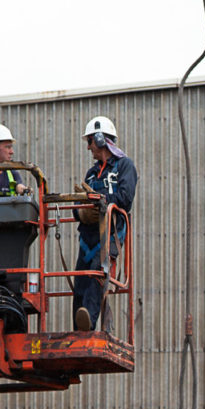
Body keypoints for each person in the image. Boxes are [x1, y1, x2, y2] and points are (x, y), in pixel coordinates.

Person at [73, 116, 138, 332]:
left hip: (110, 233)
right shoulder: (92, 173)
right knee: (80, 280)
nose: (89, 148)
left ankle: (88, 324)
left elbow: (125, 198)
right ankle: (78, 328)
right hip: (88, 238)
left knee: (97, 274)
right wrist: (79, 210)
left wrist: (99, 199)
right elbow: (78, 205)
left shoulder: (124, 166)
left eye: (90, 141)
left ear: (101, 139)